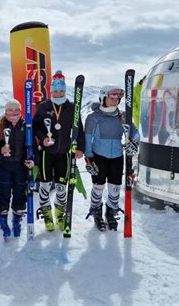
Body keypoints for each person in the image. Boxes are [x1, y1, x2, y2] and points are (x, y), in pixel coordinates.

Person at [33, 71, 85, 232]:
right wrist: (43, 139)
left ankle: (60, 213)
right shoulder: (43, 106)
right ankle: (47, 215)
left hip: (64, 153)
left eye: (61, 90)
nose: (58, 93)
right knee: (45, 185)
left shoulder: (71, 108)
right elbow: (35, 127)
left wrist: (80, 148)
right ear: (51, 91)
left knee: (62, 186)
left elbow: (79, 130)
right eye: (55, 91)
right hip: (46, 154)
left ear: (65, 90)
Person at [84, 84, 139, 231]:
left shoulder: (123, 116)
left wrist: (134, 142)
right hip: (98, 157)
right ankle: (96, 211)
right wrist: (89, 159)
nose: (115, 100)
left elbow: (135, 132)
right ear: (103, 97)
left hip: (117, 157)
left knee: (115, 188)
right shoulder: (93, 117)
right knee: (98, 186)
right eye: (111, 96)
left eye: (118, 97)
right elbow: (87, 139)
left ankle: (111, 212)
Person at [0, 99, 35, 237]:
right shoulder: (0, 124)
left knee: (19, 193)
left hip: (21, 166)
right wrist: (0, 149)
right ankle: (2, 219)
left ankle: (17, 219)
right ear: (5, 111)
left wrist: (33, 160)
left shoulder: (27, 125)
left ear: (20, 110)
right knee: (4, 193)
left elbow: (34, 146)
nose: (13, 112)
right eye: (10, 110)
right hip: (4, 166)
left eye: (16, 109)